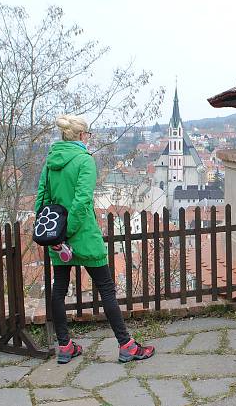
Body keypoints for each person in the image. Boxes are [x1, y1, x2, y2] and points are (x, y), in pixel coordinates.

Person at [36, 115, 155, 364]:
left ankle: (65, 346)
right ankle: (126, 345)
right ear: (81, 136)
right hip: (82, 235)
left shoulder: (50, 163)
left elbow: (41, 201)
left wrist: (56, 235)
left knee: (58, 290)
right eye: (88, 135)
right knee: (106, 289)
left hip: (58, 238)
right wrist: (69, 232)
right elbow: (81, 203)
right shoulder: (85, 161)